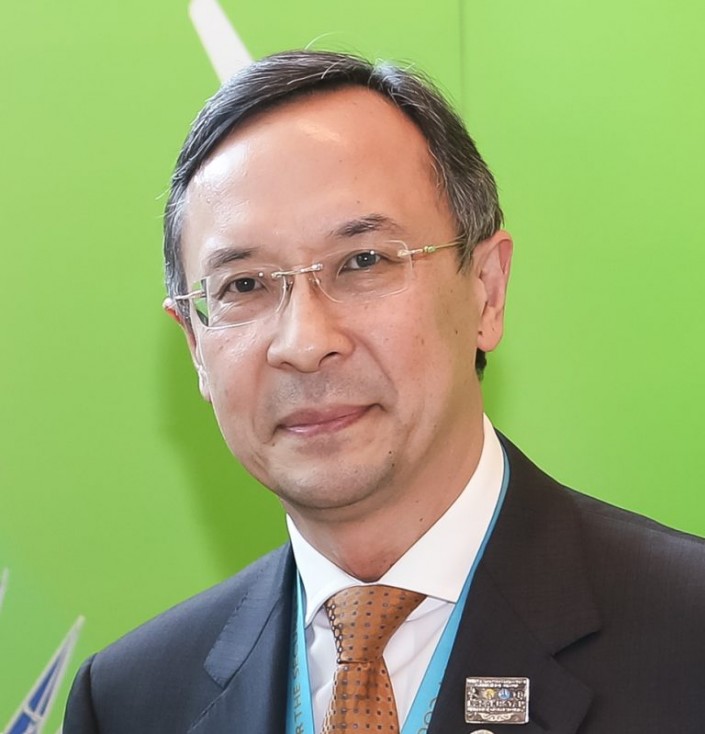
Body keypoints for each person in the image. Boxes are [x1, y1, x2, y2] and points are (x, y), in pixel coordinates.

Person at [64, 50, 705, 733]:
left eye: (363, 262)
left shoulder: (684, 636)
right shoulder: (131, 702)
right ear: (195, 345)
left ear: (486, 292)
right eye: (243, 285)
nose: (304, 343)